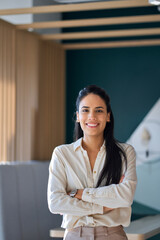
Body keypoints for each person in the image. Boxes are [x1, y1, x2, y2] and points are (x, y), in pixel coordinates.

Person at [47, 85, 137, 240]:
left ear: (108, 116)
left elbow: (126, 196)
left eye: (99, 110)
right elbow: (55, 203)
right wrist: (103, 206)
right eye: (85, 110)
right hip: (75, 234)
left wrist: (79, 194)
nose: (92, 116)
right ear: (77, 116)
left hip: (113, 234)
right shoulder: (62, 154)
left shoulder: (125, 152)